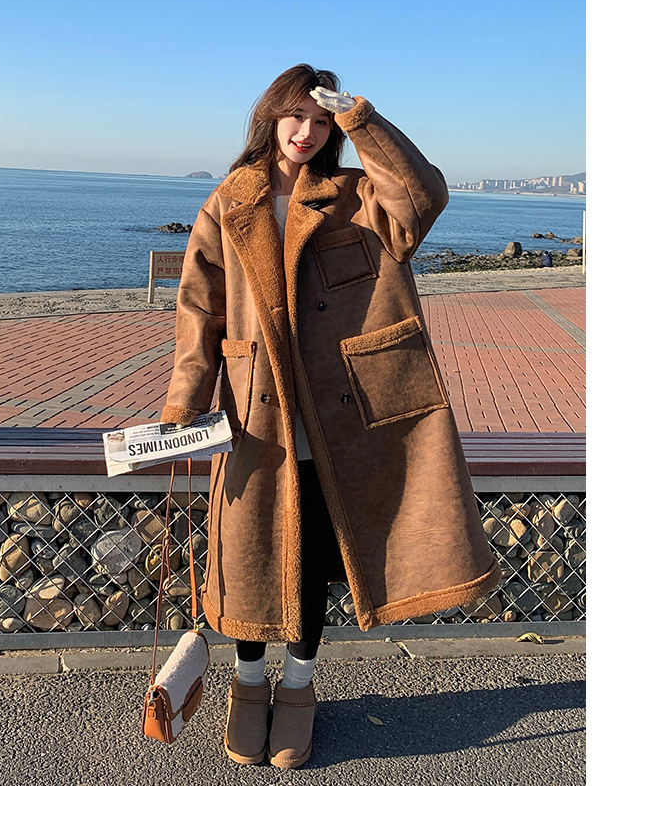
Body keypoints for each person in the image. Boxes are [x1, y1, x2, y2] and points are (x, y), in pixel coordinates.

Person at [160, 64, 501, 768]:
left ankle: (298, 686)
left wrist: (361, 117)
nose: (306, 131)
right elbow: (199, 310)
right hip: (257, 411)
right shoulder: (230, 199)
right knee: (253, 554)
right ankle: (248, 685)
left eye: (320, 120)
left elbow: (424, 195)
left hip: (343, 414)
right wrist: (184, 402)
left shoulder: (357, 194)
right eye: (296, 115)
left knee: (311, 556)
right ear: (270, 116)